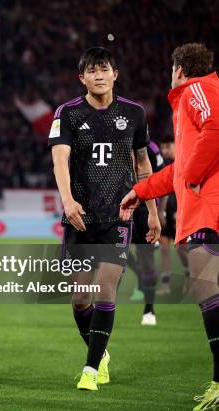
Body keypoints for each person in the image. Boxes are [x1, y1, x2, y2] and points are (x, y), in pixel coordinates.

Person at [49, 47, 160, 392]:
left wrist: (152, 210)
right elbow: (60, 160)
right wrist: (67, 201)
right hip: (81, 215)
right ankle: (101, 353)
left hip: (120, 214)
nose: (99, 75)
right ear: (81, 78)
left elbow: (143, 165)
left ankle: (91, 369)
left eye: (104, 69)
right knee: (80, 298)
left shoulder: (134, 113)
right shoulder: (67, 113)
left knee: (105, 286)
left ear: (115, 74)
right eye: (91, 71)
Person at [119, 43, 219, 411]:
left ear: (178, 68)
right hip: (203, 207)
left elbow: (216, 128)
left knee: (209, 291)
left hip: (208, 210)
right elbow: (179, 171)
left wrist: (192, 176)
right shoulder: (194, 98)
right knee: (208, 291)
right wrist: (140, 190)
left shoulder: (197, 90)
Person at [127, 140, 165, 326]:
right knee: (116, 256)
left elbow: (163, 179)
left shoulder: (151, 148)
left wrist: (159, 212)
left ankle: (149, 309)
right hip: (118, 205)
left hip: (143, 208)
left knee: (147, 260)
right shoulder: (114, 136)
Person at [156, 136, 190, 295]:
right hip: (165, 212)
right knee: (164, 248)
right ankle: (165, 284)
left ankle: (190, 278)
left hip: (181, 212)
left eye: (168, 146)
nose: (164, 150)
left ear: (177, 145)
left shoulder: (185, 162)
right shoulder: (163, 165)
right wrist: (159, 211)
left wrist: (183, 210)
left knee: (181, 249)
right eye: (162, 147)